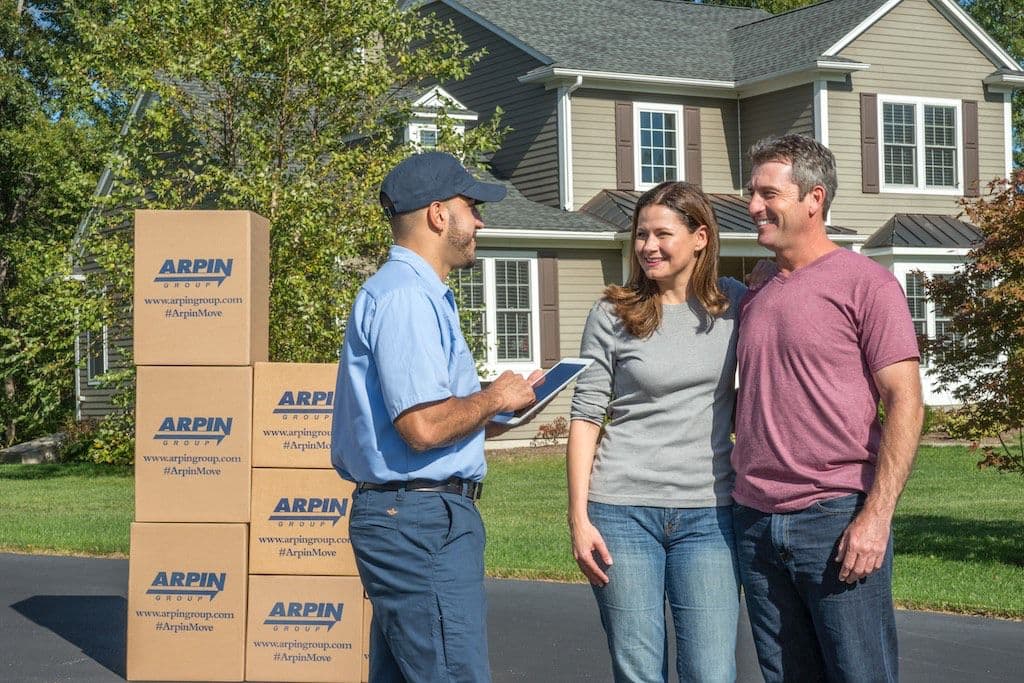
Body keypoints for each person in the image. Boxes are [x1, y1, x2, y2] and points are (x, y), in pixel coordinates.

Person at [331, 151, 541, 683]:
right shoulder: (406, 297)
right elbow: (421, 428)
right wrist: (493, 397)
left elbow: (433, 421)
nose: (479, 221)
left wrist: (501, 409)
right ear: (438, 214)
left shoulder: (416, 294)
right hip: (420, 523)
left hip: (414, 518)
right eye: (471, 207)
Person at [732, 134, 924, 683]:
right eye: (752, 192)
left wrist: (876, 516)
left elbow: (905, 402)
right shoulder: (759, 288)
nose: (753, 206)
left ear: (814, 198)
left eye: (769, 194)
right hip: (756, 519)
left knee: (860, 673)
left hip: (834, 518)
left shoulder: (867, 284)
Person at [568, 181, 746, 683]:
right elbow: (585, 416)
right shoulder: (612, 313)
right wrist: (578, 519)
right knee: (639, 671)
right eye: (641, 234)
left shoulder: (735, 305)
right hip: (621, 512)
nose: (648, 246)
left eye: (662, 234)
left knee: (711, 672)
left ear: (700, 237)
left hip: (709, 514)